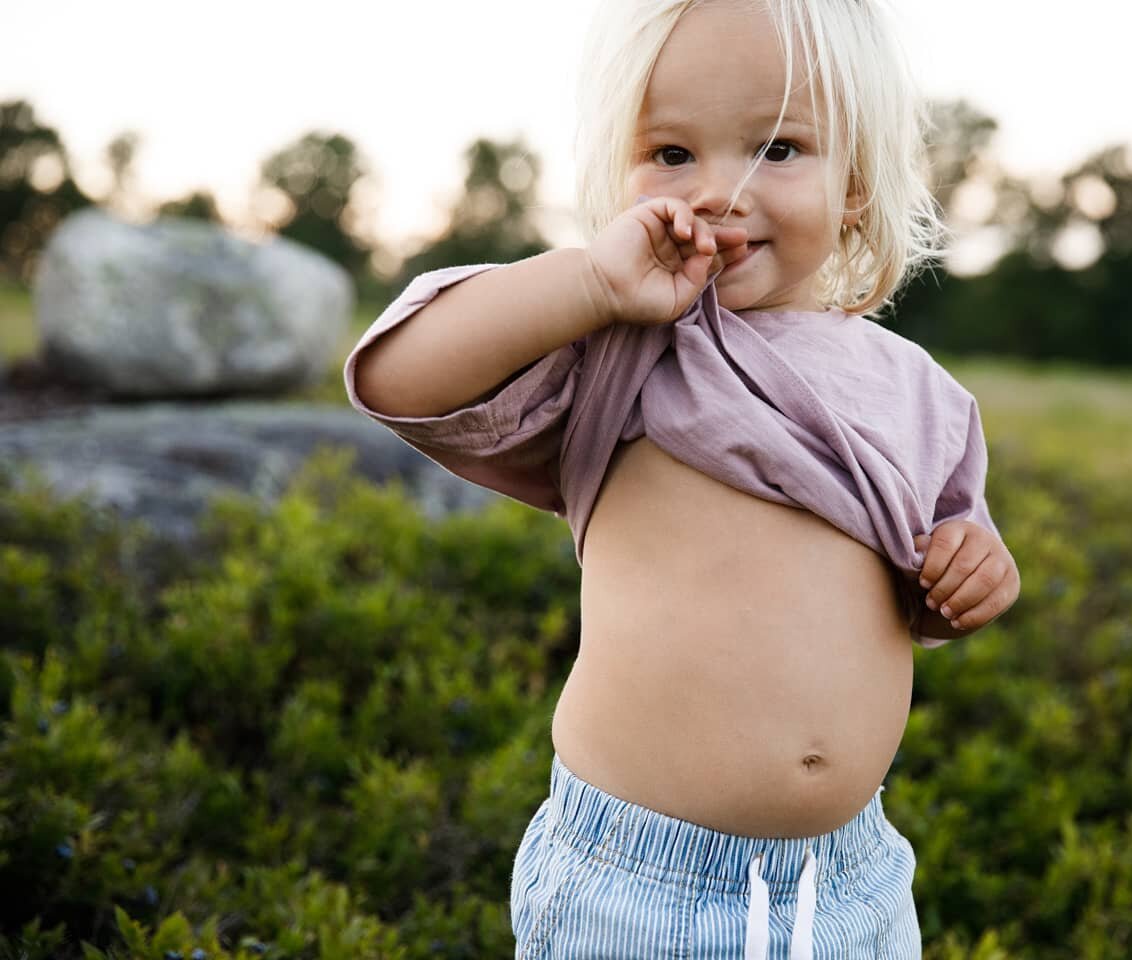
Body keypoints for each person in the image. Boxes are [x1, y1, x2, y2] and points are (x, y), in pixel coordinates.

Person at [344, 0, 1021, 954]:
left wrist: (972, 573)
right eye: (670, 154)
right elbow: (393, 377)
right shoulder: (616, 347)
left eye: (777, 149)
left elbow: (940, 572)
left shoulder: (918, 393)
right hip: (636, 884)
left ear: (856, 186)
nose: (718, 191)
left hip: (854, 885)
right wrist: (589, 285)